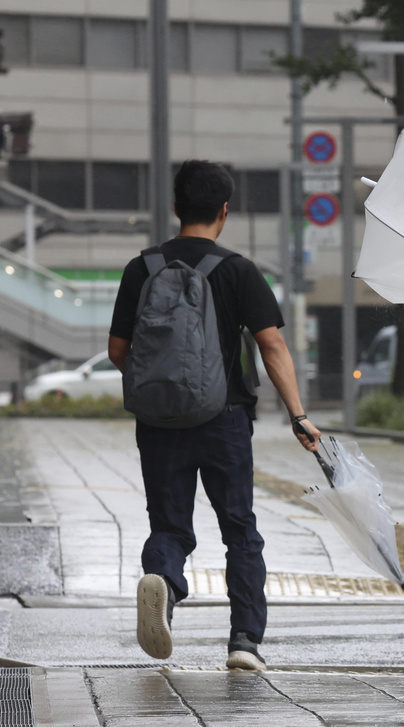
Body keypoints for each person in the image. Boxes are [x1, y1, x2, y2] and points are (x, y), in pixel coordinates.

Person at [108, 160, 320, 671]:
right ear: (224, 210)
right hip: (224, 418)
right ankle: (244, 641)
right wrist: (298, 416)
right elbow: (272, 348)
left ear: (177, 207)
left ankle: (163, 579)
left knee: (169, 525)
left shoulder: (142, 268)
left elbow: (119, 350)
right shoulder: (238, 270)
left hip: (160, 423)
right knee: (239, 530)